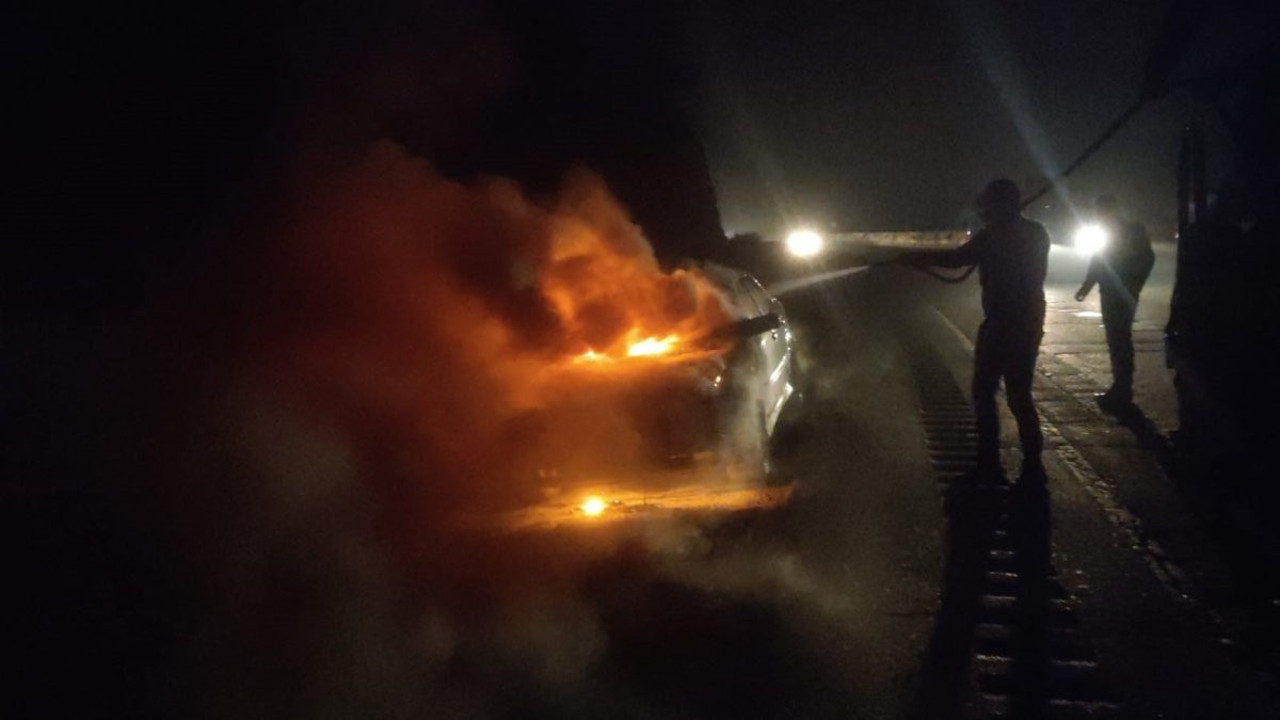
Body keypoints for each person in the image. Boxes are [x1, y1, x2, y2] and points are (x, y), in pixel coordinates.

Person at [900, 179, 1051, 482]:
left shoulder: (994, 236)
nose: (983, 209)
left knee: (984, 391)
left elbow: (956, 259)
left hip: (1004, 322)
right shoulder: (1034, 232)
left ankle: (989, 462)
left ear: (997, 204)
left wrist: (914, 257)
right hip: (1028, 320)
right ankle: (1032, 464)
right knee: (1019, 394)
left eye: (988, 204)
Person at [1073, 195, 1155, 412]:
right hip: (1116, 291)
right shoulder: (1127, 230)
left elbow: (1100, 262)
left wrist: (1132, 284)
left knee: (1119, 339)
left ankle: (1122, 389)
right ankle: (1121, 387)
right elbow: (1099, 261)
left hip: (1118, 292)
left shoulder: (1126, 231)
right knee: (1118, 338)